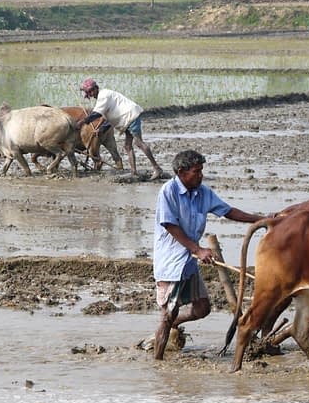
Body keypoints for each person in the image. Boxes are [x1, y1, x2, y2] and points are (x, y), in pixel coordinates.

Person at [152, 149, 265, 360]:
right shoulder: (168, 192)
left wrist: (260, 220)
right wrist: (198, 249)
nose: (201, 175)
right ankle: (158, 362)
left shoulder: (203, 192)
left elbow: (228, 211)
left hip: (189, 263)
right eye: (196, 171)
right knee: (168, 314)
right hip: (171, 263)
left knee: (203, 308)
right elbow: (170, 225)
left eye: (201, 170)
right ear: (181, 172)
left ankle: (172, 325)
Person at [77, 78, 163, 180]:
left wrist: (82, 122)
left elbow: (96, 114)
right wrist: (100, 129)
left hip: (130, 116)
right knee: (127, 146)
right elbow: (106, 118)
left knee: (139, 142)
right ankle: (134, 172)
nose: (91, 93)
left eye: (92, 90)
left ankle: (157, 168)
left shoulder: (103, 95)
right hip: (127, 118)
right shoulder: (103, 99)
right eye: (89, 92)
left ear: (96, 88)